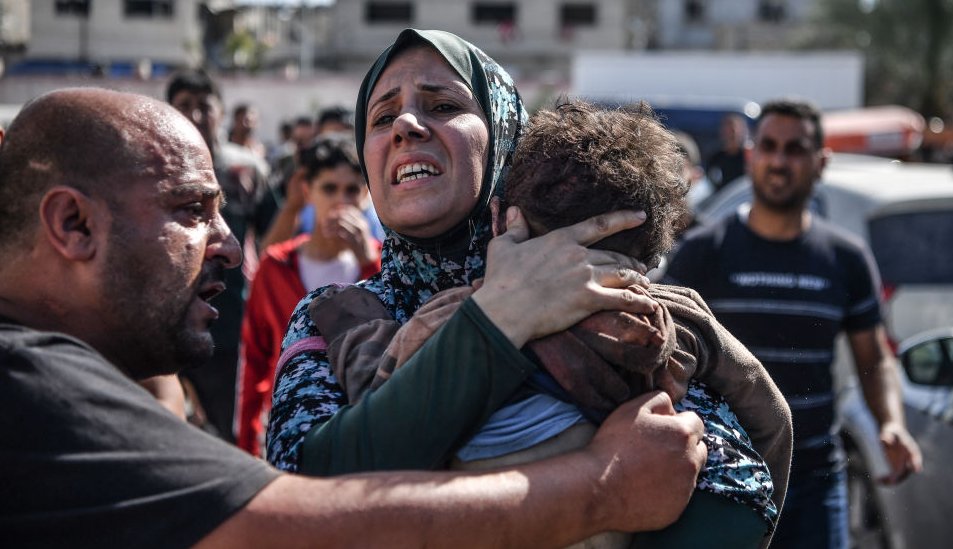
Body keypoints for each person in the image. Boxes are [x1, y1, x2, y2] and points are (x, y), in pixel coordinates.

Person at [0, 87, 707, 548]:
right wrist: (602, 485)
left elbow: (733, 468)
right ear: (72, 223)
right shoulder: (30, 385)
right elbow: (299, 520)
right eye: (191, 211)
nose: (230, 244)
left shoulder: (640, 307)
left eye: (443, 102)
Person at [314, 99, 793, 548]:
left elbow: (376, 397)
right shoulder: (676, 315)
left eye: (443, 104)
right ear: (651, 255)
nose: (408, 125)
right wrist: (758, 504)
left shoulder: (459, 314)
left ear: (500, 221)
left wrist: (348, 319)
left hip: (484, 511)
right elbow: (771, 412)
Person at [663, 98, 924, 549]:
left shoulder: (846, 258)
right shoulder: (704, 252)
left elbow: (874, 356)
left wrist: (891, 423)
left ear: (820, 162)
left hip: (815, 482)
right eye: (769, 146)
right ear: (750, 156)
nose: (780, 161)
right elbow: (664, 350)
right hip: (722, 482)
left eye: (795, 149)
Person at [235, 134, 382, 456]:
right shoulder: (274, 266)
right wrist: (247, 443)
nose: (341, 201)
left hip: (367, 429)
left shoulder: (386, 264)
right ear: (307, 192)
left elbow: (397, 335)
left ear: (367, 196)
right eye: (329, 189)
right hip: (293, 430)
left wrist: (369, 262)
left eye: (352, 190)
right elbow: (254, 360)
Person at [167, 68, 276, 442]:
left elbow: (274, 235)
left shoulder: (245, 169)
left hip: (227, 321)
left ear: (220, 111)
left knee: (227, 430)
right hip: (163, 316)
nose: (195, 115)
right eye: (184, 106)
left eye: (204, 106)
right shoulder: (155, 169)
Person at [705, 113, 749, 191]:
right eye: (728, 130)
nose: (731, 134)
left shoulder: (748, 157)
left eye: (734, 131)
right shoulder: (716, 158)